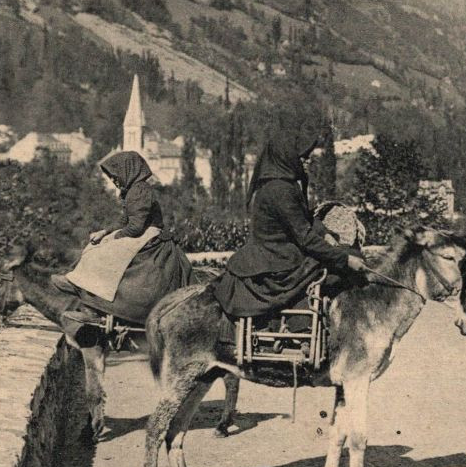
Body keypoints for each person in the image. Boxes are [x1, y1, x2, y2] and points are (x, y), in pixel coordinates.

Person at [210, 128, 367, 319]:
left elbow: (304, 219)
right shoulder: (280, 190)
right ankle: (307, 324)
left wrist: (325, 233)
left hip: (279, 253)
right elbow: (305, 238)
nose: (307, 161)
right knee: (340, 265)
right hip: (275, 260)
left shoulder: (283, 185)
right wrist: (345, 259)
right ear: (286, 158)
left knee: (341, 256)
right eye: (302, 157)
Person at [52, 149, 192, 324]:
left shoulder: (140, 191)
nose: (114, 180)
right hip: (140, 230)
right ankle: (80, 283)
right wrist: (105, 232)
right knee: (99, 243)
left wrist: (116, 237)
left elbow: (136, 227)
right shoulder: (131, 190)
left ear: (128, 171)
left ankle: (94, 298)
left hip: (149, 233)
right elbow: (124, 220)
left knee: (109, 251)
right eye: (112, 177)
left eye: (116, 176)